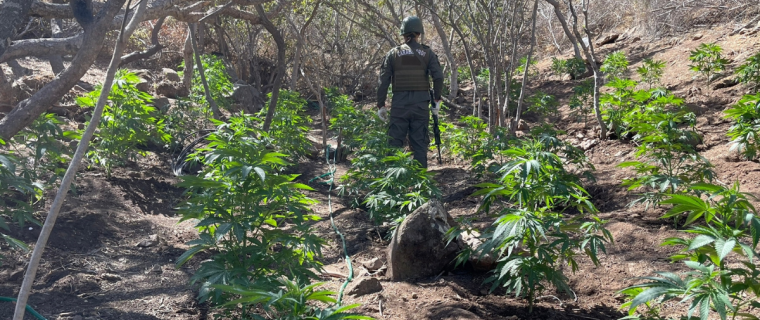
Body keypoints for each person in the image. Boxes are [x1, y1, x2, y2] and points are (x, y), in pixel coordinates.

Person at [377, 16, 444, 169]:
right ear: (418, 33)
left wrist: (381, 104)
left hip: (399, 106)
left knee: (394, 144)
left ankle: (392, 183)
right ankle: (420, 184)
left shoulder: (393, 54)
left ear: (403, 34)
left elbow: (383, 82)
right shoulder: (427, 53)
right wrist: (437, 99)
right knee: (420, 144)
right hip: (420, 105)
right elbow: (438, 76)